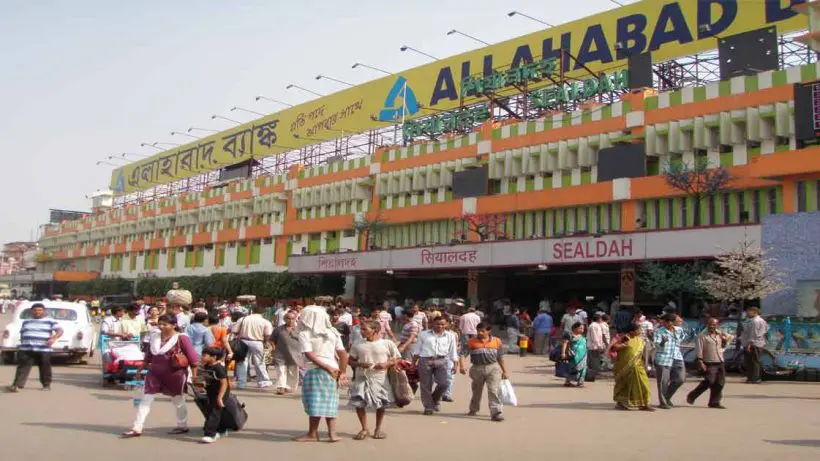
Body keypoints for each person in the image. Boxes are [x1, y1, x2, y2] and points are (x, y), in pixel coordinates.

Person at [121, 314, 199, 437]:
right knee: (146, 399)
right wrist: (142, 367)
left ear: (174, 325)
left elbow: (193, 359)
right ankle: (137, 427)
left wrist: (194, 376)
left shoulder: (182, 338)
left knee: (178, 400)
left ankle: (182, 425)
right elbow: (149, 354)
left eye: (165, 324)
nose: (161, 327)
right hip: (154, 372)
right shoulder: (155, 336)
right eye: (160, 324)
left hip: (175, 374)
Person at [295, 305, 349, 443]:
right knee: (330, 402)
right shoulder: (333, 332)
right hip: (333, 370)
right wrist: (342, 372)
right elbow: (343, 354)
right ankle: (332, 434)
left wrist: (326, 368)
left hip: (316, 370)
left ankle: (312, 434)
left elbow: (309, 354)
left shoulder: (305, 334)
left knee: (315, 403)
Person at [348, 320, 400, 440]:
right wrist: (361, 364)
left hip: (380, 378)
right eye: (361, 329)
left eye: (365, 329)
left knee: (381, 404)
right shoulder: (357, 344)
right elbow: (350, 361)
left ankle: (378, 429)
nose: (362, 331)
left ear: (375, 330)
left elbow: (396, 359)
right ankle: (364, 428)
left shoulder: (387, 343)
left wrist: (386, 364)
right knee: (359, 403)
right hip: (362, 377)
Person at [6, 303, 63, 392]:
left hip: (43, 349)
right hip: (26, 348)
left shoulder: (50, 321)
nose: (37, 312)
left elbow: (60, 330)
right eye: (35, 310)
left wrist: (53, 338)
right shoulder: (26, 321)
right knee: (22, 367)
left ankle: (46, 385)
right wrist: (22, 343)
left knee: (45, 367)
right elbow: (23, 332)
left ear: (44, 311)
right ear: (32, 311)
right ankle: (17, 385)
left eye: (40, 310)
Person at [461, 321, 508, 422]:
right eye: (478, 331)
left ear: (489, 331)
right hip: (477, 368)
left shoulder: (497, 341)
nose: (480, 333)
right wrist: (462, 366)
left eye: (482, 331)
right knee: (477, 390)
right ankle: (473, 409)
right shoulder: (471, 341)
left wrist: (504, 371)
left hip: (493, 368)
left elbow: (500, 357)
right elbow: (463, 354)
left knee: (493, 390)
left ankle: (496, 412)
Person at [414, 316, 458, 415]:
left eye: (442, 324)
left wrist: (455, 364)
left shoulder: (450, 336)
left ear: (447, 325)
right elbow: (417, 350)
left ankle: (434, 400)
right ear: (433, 324)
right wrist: (413, 363)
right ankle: (428, 407)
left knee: (444, 384)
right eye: (437, 323)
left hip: (441, 360)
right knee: (426, 385)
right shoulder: (424, 334)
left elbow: (453, 351)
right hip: (425, 360)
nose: (440, 326)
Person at [687, 317, 731, 409]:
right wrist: (700, 361)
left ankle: (714, 402)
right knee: (709, 381)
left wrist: (724, 339)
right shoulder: (702, 336)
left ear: (717, 325)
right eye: (710, 324)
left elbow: (726, 343)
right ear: (707, 325)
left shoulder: (720, 334)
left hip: (720, 360)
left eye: (714, 325)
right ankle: (692, 395)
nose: (712, 326)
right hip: (709, 361)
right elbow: (699, 349)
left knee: (720, 383)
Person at [611, 323, 654, 411]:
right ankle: (621, 403)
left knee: (643, 384)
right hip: (624, 367)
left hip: (638, 366)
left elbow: (644, 353)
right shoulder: (624, 337)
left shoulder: (641, 340)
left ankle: (643, 403)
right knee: (624, 385)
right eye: (638, 330)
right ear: (632, 331)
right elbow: (614, 348)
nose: (640, 331)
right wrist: (622, 345)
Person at [232, 306, 274, 389]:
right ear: (263, 313)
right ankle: (263, 381)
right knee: (259, 362)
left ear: (252, 311)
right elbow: (268, 335)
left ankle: (241, 383)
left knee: (242, 362)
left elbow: (235, 331)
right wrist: (266, 343)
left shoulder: (243, 319)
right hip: (257, 342)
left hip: (243, 341)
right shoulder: (265, 321)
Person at [653, 313, 685, 409]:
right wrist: (663, 342)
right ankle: (663, 402)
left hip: (677, 357)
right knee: (663, 381)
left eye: (672, 322)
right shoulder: (659, 331)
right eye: (668, 322)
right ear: (665, 322)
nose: (670, 324)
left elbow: (683, 338)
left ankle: (667, 397)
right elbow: (656, 345)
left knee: (680, 379)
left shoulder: (679, 330)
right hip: (664, 358)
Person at [199, 347, 230, 443]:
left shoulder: (219, 368)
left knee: (214, 412)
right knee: (209, 410)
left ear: (214, 357)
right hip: (211, 392)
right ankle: (222, 430)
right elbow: (208, 379)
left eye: (204, 355)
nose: (202, 357)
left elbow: (224, 383)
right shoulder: (207, 365)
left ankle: (210, 434)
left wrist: (220, 398)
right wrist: (202, 385)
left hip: (221, 392)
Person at [271, 310, 303, 395]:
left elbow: (304, 341)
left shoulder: (299, 330)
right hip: (280, 354)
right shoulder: (278, 330)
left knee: (292, 372)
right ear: (285, 319)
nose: (290, 320)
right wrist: (274, 348)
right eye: (288, 318)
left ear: (295, 319)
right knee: (281, 371)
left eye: (292, 319)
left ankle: (289, 387)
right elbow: (272, 340)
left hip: (294, 355)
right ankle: (281, 387)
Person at [740, 306, 768, 384]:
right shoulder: (762, 320)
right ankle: (752, 378)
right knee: (754, 361)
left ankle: (754, 378)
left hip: (754, 344)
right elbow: (766, 330)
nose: (747, 313)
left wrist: (749, 344)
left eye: (749, 312)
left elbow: (753, 334)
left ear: (754, 312)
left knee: (753, 362)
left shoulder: (755, 321)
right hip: (759, 343)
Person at [561, 322, 588, 387]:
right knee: (572, 368)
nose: (582, 330)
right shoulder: (569, 335)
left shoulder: (583, 337)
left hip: (583, 355)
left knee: (583, 368)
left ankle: (580, 382)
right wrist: (563, 353)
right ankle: (568, 381)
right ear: (575, 328)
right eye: (580, 328)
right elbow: (564, 344)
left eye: (583, 328)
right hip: (573, 356)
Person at [586, 312, 611, 381]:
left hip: (595, 346)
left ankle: (591, 376)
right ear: (598, 319)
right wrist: (599, 346)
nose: (601, 320)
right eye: (600, 318)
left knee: (593, 361)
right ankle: (591, 376)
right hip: (593, 347)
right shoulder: (594, 326)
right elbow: (595, 337)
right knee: (594, 362)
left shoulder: (597, 325)